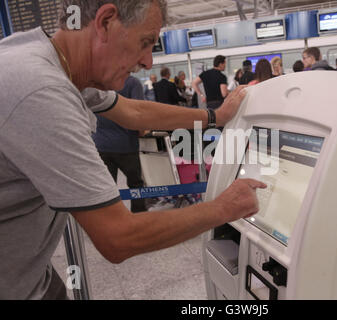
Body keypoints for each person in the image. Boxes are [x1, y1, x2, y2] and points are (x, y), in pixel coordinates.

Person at [0, 0, 265, 300]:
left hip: (32, 276)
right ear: (106, 22)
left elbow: (134, 112)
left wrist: (216, 116)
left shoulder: (56, 61)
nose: (149, 61)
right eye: (145, 42)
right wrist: (224, 208)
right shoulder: (40, 90)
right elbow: (118, 237)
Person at [92, 75, 147, 213]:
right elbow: (138, 112)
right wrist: (142, 131)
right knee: (136, 185)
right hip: (126, 144)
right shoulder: (132, 82)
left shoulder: (98, 81)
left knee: (106, 188)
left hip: (100, 144)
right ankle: (139, 217)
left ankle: (110, 219)